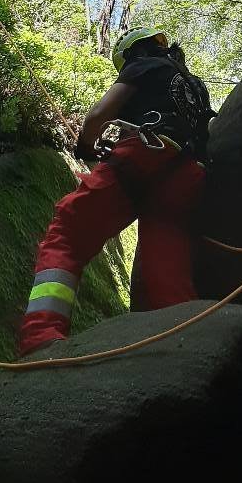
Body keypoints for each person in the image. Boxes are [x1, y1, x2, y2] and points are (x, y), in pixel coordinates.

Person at [17, 26, 216, 355]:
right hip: (186, 176)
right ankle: (187, 345)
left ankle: (40, 336)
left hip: (143, 157)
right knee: (164, 264)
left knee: (69, 230)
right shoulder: (195, 86)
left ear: (131, 54)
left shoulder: (143, 65)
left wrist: (84, 145)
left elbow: (98, 115)